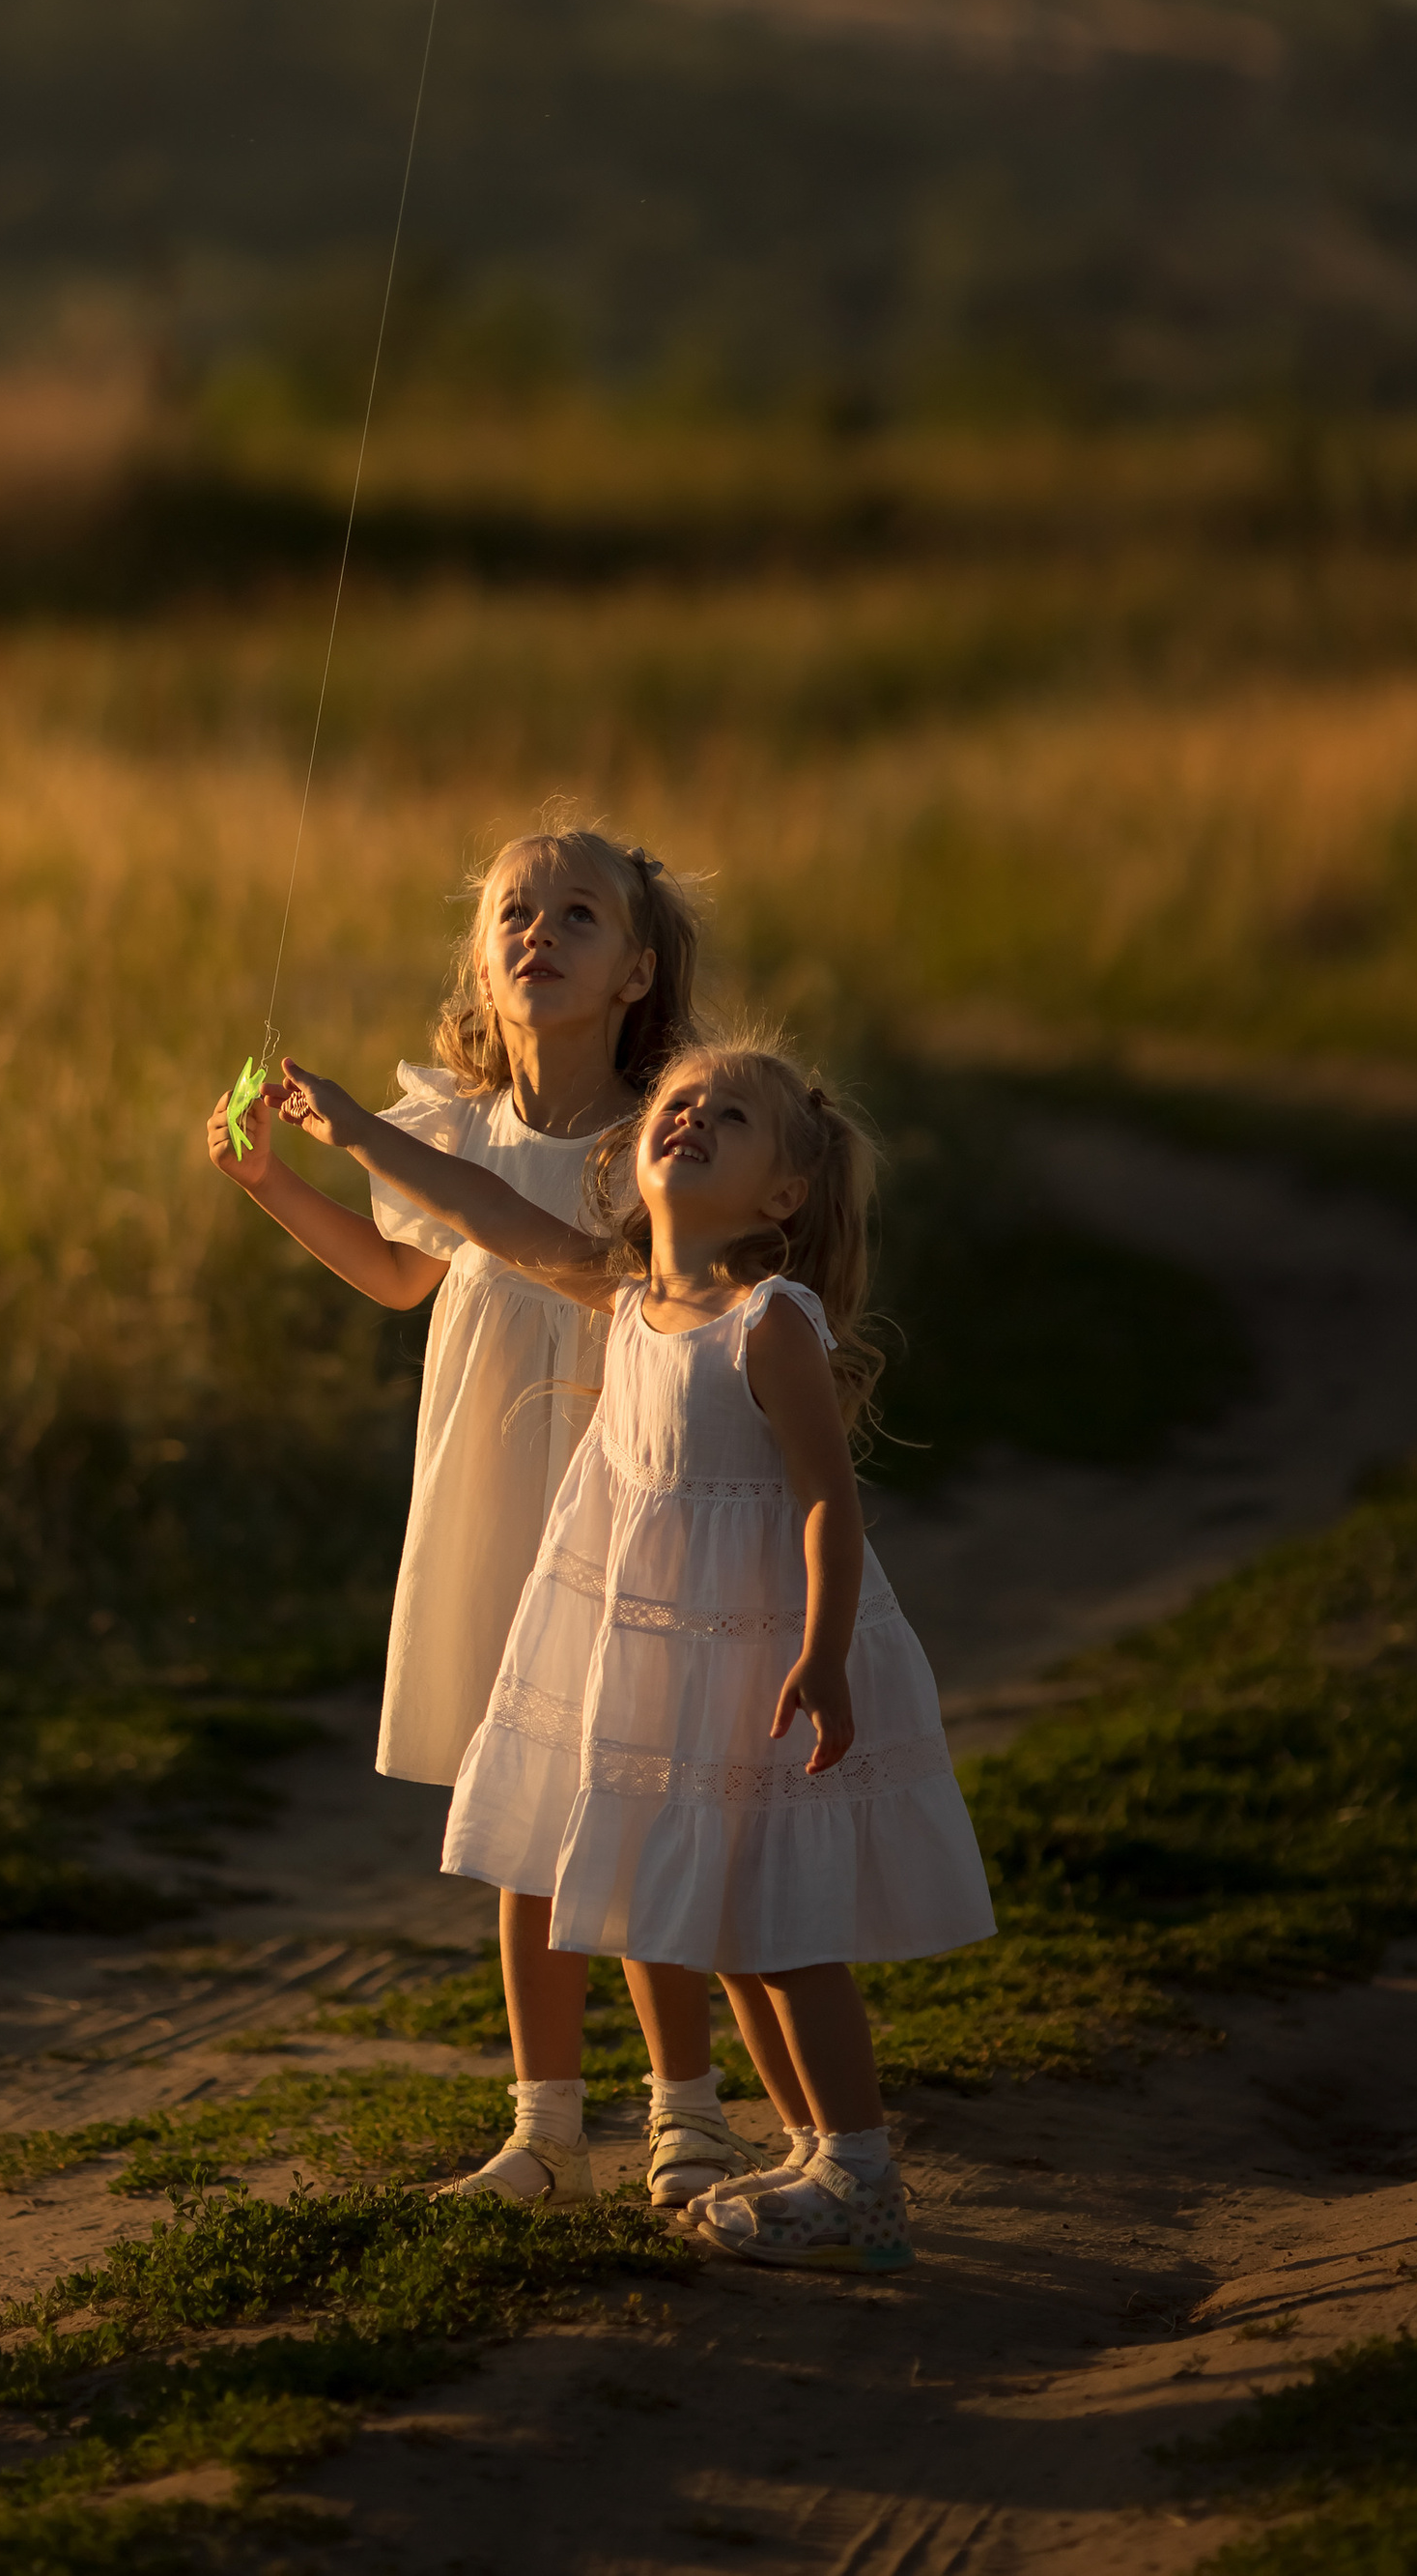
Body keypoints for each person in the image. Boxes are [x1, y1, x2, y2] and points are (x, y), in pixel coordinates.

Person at [270, 1032, 995, 2273]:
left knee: (783, 1934)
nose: (693, 1119)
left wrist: (822, 1657)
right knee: (731, 1932)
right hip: (675, 1667)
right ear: (634, 1153)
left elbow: (830, 1500)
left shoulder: (768, 1324)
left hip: (765, 1662)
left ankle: (862, 2172)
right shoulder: (627, 1297)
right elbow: (485, 1210)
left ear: (782, 1195)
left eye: (732, 1118)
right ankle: (816, 2156)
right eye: (680, 1101)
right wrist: (349, 1133)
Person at [208, 823, 746, 2210]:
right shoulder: (455, 1124)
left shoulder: (661, 1140)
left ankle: (688, 2112)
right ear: (483, 960)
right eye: (515, 911)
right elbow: (402, 1274)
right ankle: (546, 2131)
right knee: (526, 1804)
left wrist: (365, 1131)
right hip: (495, 1499)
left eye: (578, 914)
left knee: (627, 1788)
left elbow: (591, 1276)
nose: (539, 932)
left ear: (636, 972)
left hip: (621, 1501)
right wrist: (277, 1182)